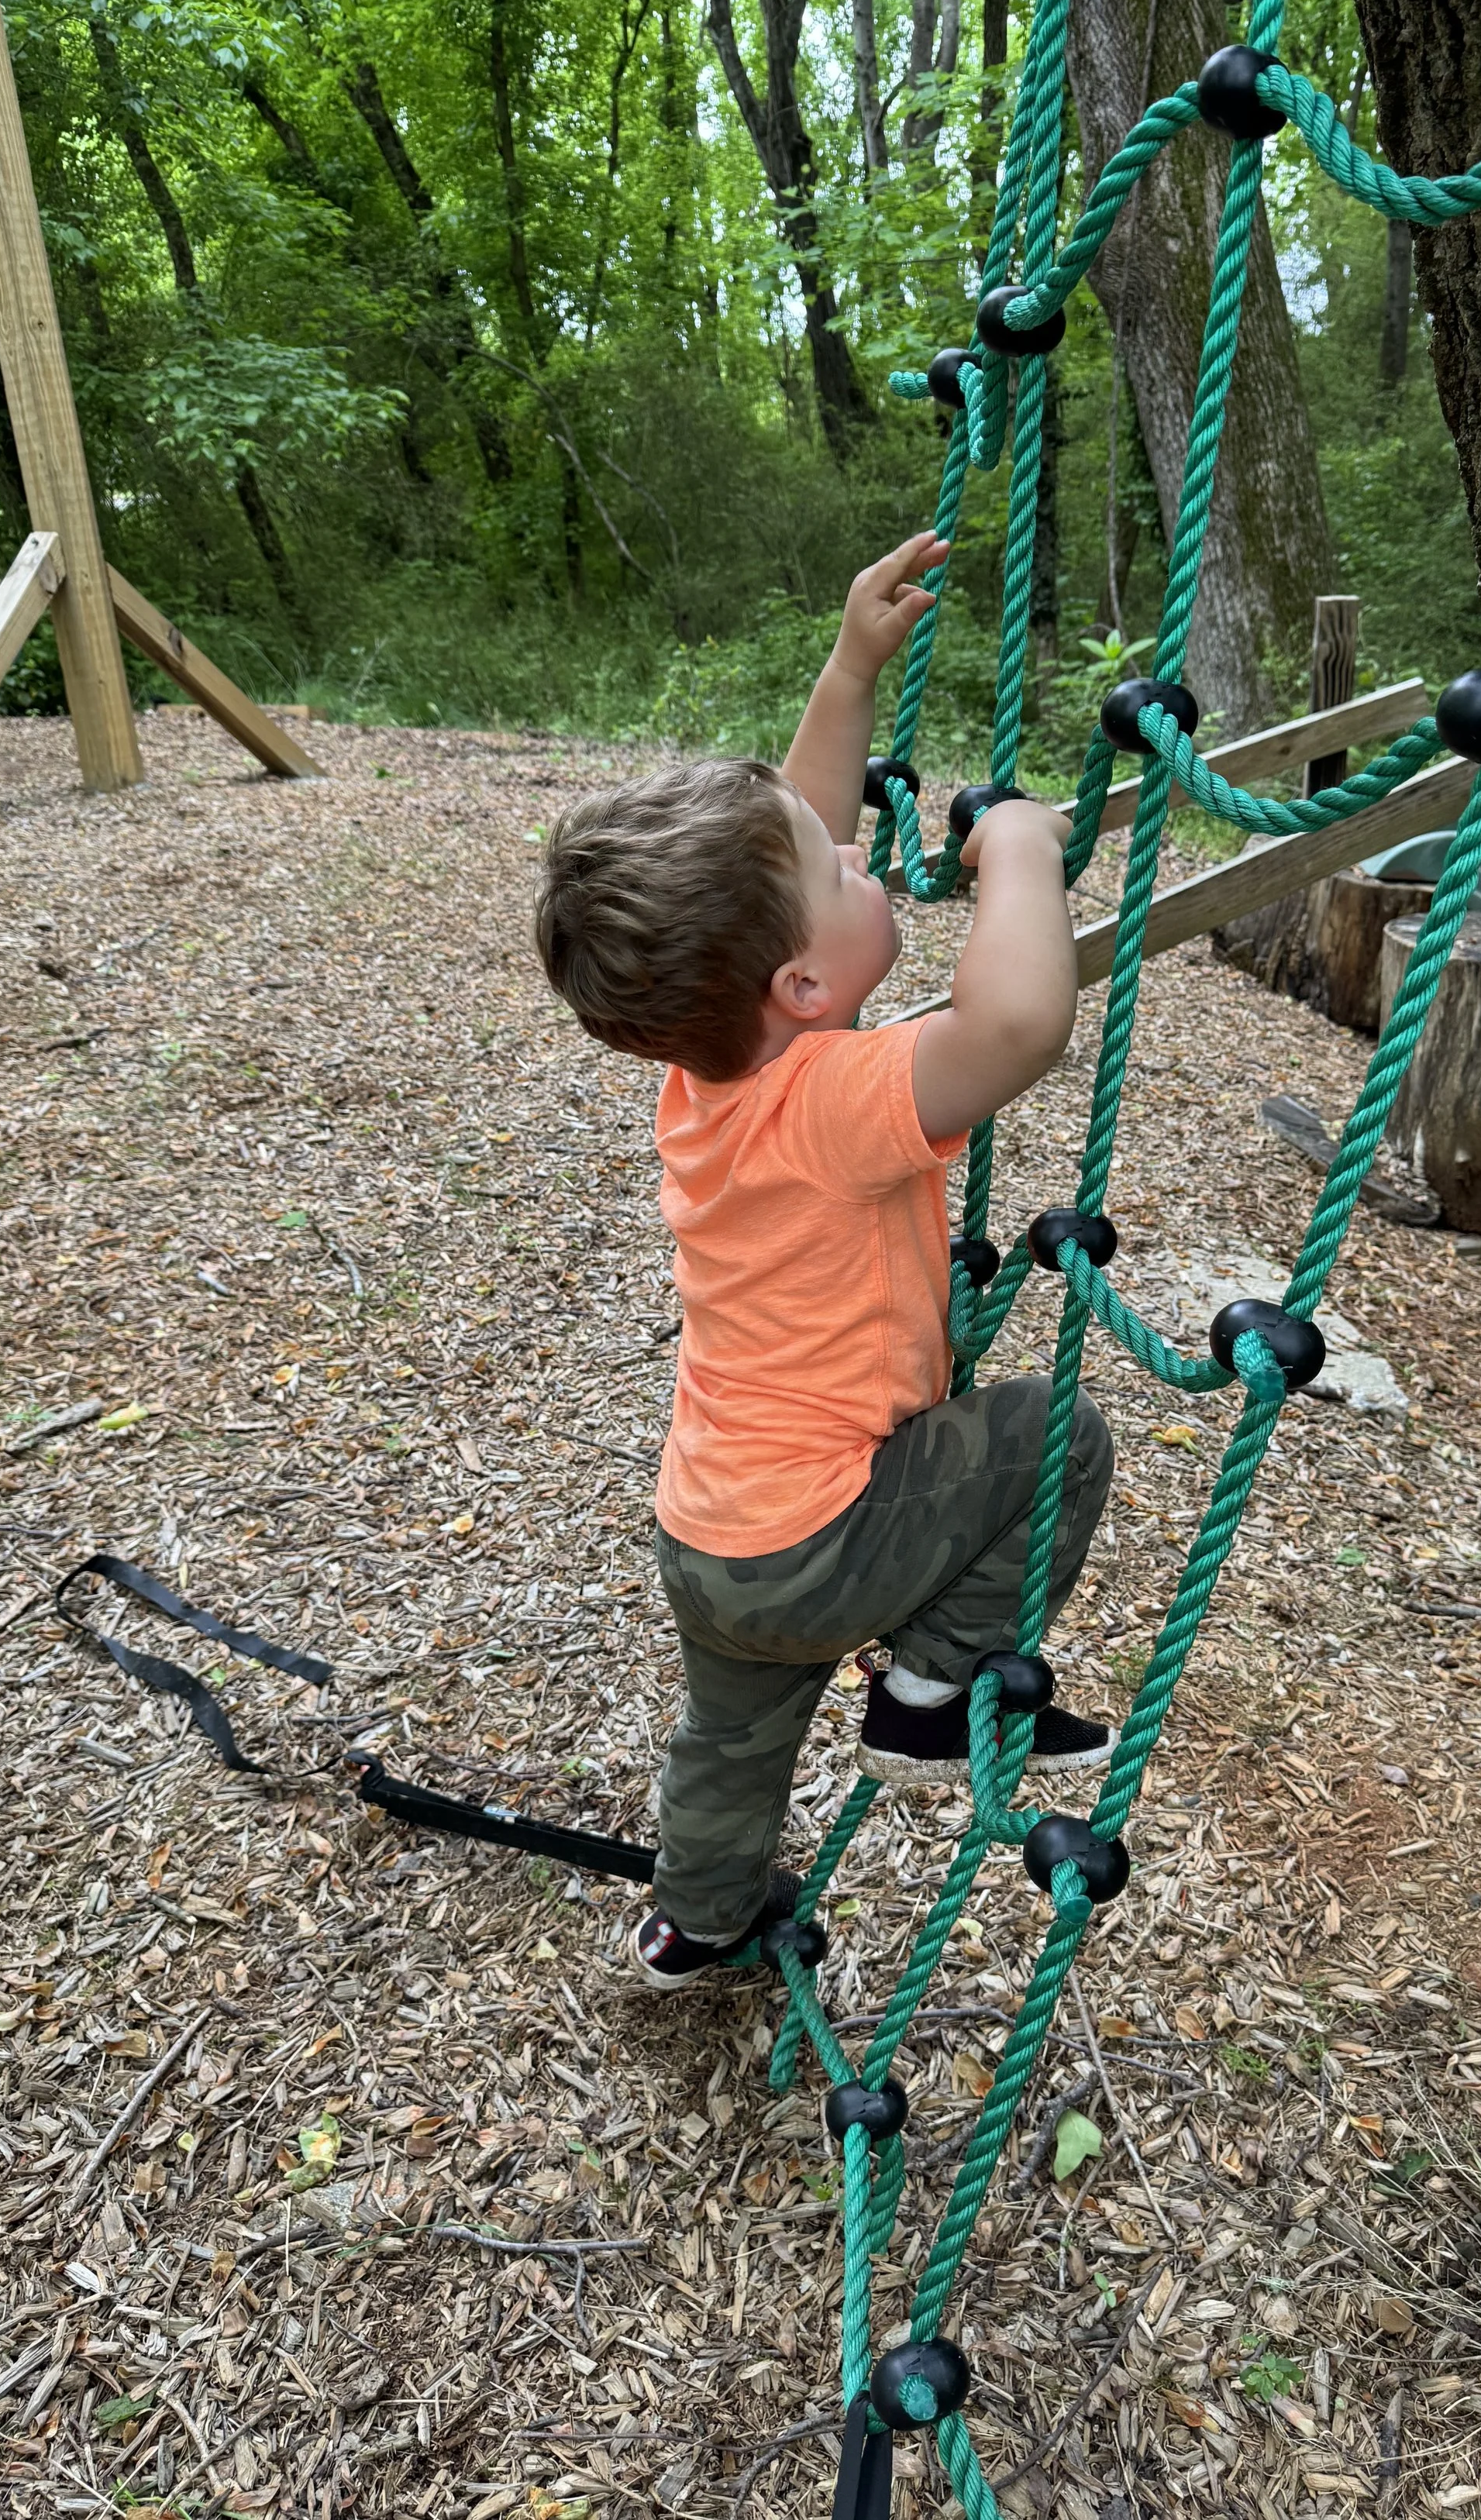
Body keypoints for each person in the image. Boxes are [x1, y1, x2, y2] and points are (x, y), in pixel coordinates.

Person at [535, 532, 1115, 1988]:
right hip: (821, 1535)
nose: (858, 844)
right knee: (1056, 1438)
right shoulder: (839, 1101)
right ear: (799, 985)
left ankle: (699, 1921)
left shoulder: (708, 1076)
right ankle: (928, 1691)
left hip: (711, 1534)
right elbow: (1015, 1027)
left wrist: (855, 664)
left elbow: (789, 830)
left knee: (730, 1741)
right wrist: (1024, 854)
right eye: (842, 866)